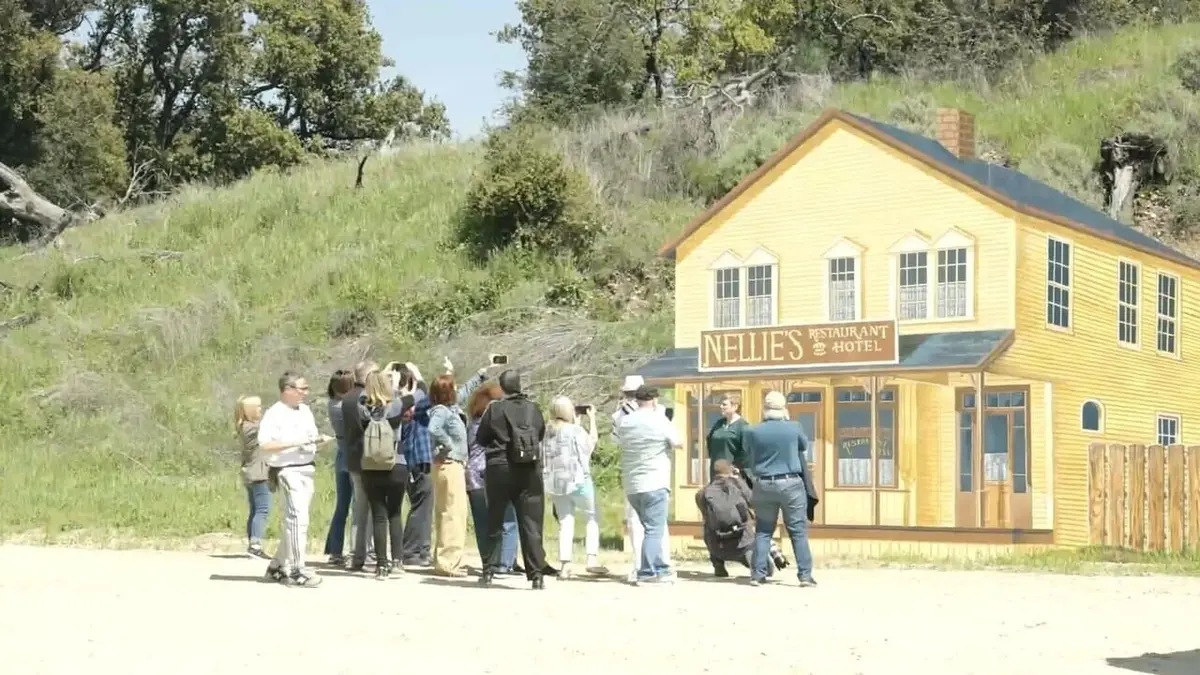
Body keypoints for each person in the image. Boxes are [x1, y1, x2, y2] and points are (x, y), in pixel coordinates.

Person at [259, 371, 334, 587]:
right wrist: (295, 443)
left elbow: (310, 438)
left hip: (306, 469)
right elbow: (265, 445)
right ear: (288, 389)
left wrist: (318, 442)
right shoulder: (274, 414)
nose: (305, 393)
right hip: (287, 470)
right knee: (297, 520)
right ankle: (296, 569)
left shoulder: (305, 411)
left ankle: (277, 566)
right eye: (302, 389)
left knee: (297, 521)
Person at [476, 369, 549, 589]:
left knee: (495, 520)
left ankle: (489, 571)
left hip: (500, 467)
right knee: (531, 524)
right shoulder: (533, 409)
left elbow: (481, 438)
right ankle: (536, 575)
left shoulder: (494, 409)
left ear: (502, 387)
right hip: (529, 469)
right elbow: (540, 433)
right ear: (519, 385)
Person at [743, 391, 818, 587]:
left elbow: (749, 454)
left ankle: (757, 575)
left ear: (764, 409)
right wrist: (787, 419)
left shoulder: (753, 431)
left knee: (763, 531)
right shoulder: (794, 427)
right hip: (790, 483)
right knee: (797, 530)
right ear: (784, 408)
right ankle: (805, 576)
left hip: (763, 483)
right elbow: (803, 446)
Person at [427, 358, 490, 577]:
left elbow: (464, 392)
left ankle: (444, 560)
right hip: (450, 463)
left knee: (448, 512)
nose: (457, 389)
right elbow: (433, 429)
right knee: (454, 514)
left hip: (450, 465)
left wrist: (482, 373)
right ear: (447, 393)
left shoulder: (451, 408)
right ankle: (449, 563)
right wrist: (448, 444)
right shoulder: (441, 411)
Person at [355, 371, 421, 579]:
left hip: (370, 467)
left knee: (378, 516)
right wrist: (412, 376)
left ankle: (381, 564)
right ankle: (397, 561)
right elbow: (422, 392)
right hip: (396, 464)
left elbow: (362, 396)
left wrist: (372, 383)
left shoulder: (362, 408)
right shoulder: (396, 406)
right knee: (394, 514)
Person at [616, 384, 682, 585]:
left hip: (632, 484)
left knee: (650, 528)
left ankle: (661, 568)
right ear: (654, 400)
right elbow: (678, 442)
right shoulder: (659, 419)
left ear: (636, 400)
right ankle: (646, 573)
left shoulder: (625, 422)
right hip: (655, 480)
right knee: (654, 530)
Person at [542, 396, 608, 579]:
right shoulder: (575, 430)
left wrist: (577, 423)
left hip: (556, 482)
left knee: (565, 521)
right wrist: (592, 419)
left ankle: (565, 565)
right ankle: (591, 559)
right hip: (578, 481)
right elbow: (589, 444)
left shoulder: (547, 431)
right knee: (592, 516)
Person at [465, 383, 522, 575]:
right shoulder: (494, 424)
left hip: (473, 476)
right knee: (508, 519)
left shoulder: (472, 424)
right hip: (494, 473)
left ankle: (488, 561)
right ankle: (504, 562)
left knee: (482, 522)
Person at [696, 459, 786, 577]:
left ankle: (718, 566)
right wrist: (738, 478)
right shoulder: (737, 486)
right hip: (742, 545)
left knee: (708, 524)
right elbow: (754, 502)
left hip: (717, 547)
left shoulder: (702, 494)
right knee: (766, 570)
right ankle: (763, 556)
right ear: (730, 470)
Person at [397, 361, 436, 568]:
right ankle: (411, 550)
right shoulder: (411, 405)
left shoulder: (394, 402)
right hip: (418, 459)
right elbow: (428, 398)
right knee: (421, 505)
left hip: (413, 459)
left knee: (424, 505)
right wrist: (418, 377)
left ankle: (422, 549)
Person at [341, 361, 378, 570]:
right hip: (367, 458)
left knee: (359, 509)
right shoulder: (365, 398)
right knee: (370, 509)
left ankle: (355, 553)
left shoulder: (347, 398)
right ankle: (367, 552)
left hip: (353, 458)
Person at [323, 369, 356, 565]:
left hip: (342, 456)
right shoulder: (347, 406)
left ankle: (335, 549)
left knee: (342, 506)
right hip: (353, 455)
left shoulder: (332, 404)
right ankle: (354, 549)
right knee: (356, 506)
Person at [235, 395, 271, 559]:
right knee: (262, 509)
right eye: (258, 407)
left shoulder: (245, 426)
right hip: (258, 473)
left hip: (251, 472)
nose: (261, 409)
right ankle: (255, 545)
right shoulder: (251, 428)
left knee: (255, 510)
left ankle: (253, 543)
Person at [707, 393, 748, 483]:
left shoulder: (743, 426)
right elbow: (709, 443)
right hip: (716, 473)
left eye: (724, 404)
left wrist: (738, 468)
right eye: (721, 404)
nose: (721, 406)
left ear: (735, 406)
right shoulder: (718, 424)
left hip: (733, 475)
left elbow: (747, 452)